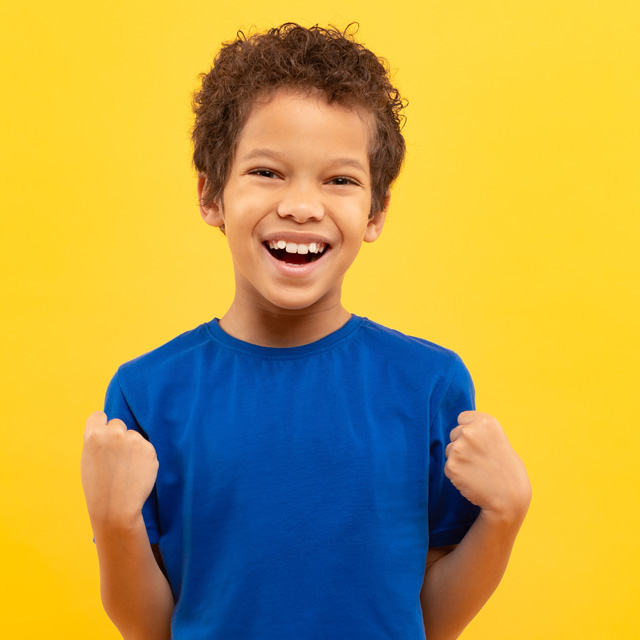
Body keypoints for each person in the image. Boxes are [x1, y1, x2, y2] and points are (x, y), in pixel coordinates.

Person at [81, 23, 531, 640]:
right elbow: (150, 629)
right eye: (267, 172)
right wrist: (114, 523)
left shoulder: (430, 384)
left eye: (339, 179)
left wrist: (504, 514)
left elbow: (431, 621)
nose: (302, 205)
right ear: (211, 196)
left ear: (375, 212)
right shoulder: (145, 393)